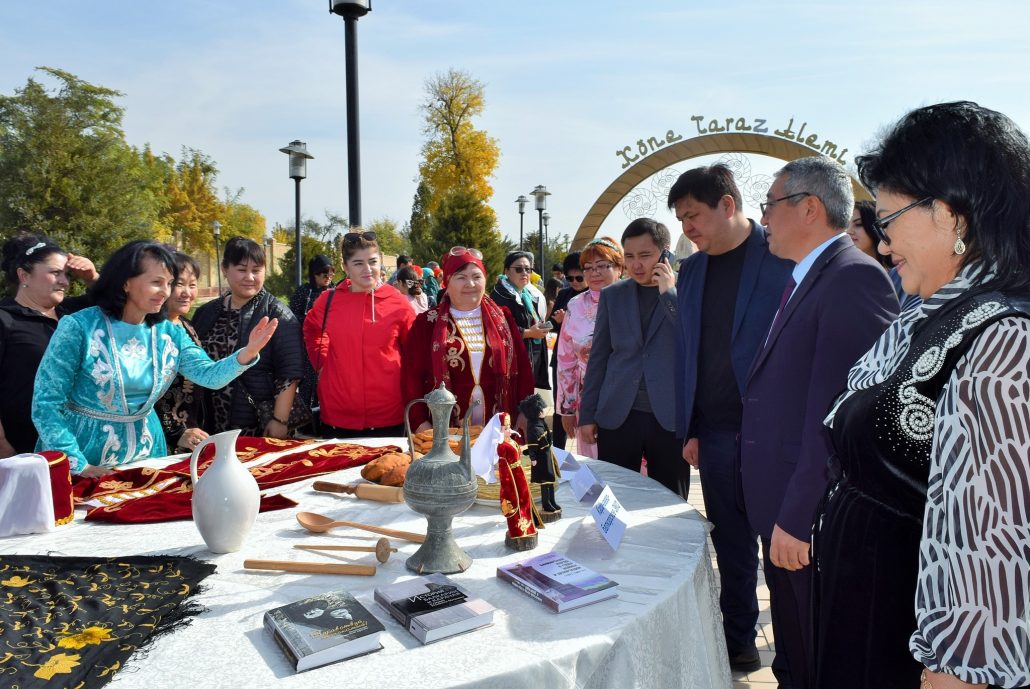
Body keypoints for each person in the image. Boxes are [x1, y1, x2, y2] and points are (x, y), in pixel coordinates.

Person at [813, 102, 1030, 689]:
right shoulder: (933, 313)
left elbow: (993, 535)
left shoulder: (1001, 339)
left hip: (923, 659)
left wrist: (957, 671)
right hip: (872, 621)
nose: (882, 246)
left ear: (949, 212)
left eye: (888, 221)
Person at [740, 156, 899, 689]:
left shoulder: (852, 279)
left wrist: (798, 515)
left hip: (807, 518)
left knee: (815, 657)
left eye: (769, 204)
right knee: (794, 652)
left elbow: (836, 416)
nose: (763, 217)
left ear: (809, 208)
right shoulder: (808, 277)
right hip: (784, 506)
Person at [669, 164, 793, 673]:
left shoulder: (782, 255)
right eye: (680, 219)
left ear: (727, 204)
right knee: (731, 544)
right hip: (717, 434)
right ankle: (737, 639)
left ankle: (794, 651)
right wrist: (692, 427)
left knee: (783, 551)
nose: (687, 229)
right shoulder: (692, 269)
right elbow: (690, 351)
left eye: (693, 215)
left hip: (775, 436)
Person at [32, 241, 277, 477]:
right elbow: (46, 404)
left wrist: (247, 353)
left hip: (148, 453)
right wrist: (77, 464)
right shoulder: (78, 327)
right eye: (156, 282)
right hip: (83, 453)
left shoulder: (169, 332)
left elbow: (209, 376)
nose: (165, 292)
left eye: (169, 283)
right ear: (126, 283)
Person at [578, 218, 687, 496]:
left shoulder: (684, 293)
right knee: (615, 497)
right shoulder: (613, 295)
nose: (636, 264)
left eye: (645, 255)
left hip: (669, 417)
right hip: (618, 415)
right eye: (629, 256)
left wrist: (669, 295)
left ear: (665, 253)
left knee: (671, 502)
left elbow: (693, 346)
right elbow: (599, 357)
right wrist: (587, 415)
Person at [401, 247, 535, 431]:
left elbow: (524, 369)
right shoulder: (427, 323)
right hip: (442, 431)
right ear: (447, 282)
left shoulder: (504, 318)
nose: (470, 284)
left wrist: (525, 411)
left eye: (477, 277)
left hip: (498, 428)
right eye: (461, 277)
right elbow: (411, 376)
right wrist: (419, 422)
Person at [303, 230, 415, 439]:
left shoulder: (398, 302)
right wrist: (323, 361)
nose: (367, 270)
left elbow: (414, 351)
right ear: (345, 268)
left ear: (380, 261)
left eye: (372, 261)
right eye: (358, 263)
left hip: (389, 415)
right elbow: (311, 329)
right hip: (337, 414)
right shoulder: (328, 301)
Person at [192, 237, 304, 439]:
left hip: (258, 423)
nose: (250, 277)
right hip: (209, 422)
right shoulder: (206, 313)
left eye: (256, 270)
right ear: (225, 269)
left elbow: (289, 373)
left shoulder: (278, 314)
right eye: (242, 270)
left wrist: (280, 420)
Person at [0, 234, 98, 457]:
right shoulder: (5, 320)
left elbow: (124, 303)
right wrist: (3, 446)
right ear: (24, 275)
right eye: (55, 273)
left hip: (80, 445)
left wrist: (92, 278)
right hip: (24, 448)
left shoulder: (75, 314)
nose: (64, 281)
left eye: (66, 274)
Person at [555, 239, 623, 459]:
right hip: (589, 402)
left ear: (619, 267)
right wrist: (567, 409)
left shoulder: (634, 300)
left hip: (630, 400)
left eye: (603, 265)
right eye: (588, 268)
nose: (595, 273)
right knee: (594, 466)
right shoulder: (575, 306)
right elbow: (566, 361)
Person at [154, 252, 208, 452]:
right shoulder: (152, 329)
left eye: (192, 285)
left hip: (190, 432)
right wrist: (175, 431)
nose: (187, 292)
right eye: (179, 284)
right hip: (163, 438)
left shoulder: (186, 324)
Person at [490, 251, 551, 391]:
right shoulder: (500, 295)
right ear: (506, 271)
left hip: (530, 355)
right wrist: (529, 332)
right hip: (513, 361)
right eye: (518, 269)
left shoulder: (527, 294)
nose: (524, 273)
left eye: (528, 269)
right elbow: (497, 329)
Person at [546, 251, 586, 449]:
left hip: (587, 362)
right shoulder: (564, 294)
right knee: (561, 406)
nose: (575, 282)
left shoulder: (601, 295)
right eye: (570, 278)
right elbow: (553, 325)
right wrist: (559, 322)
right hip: (563, 360)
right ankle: (558, 452)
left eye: (579, 277)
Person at [853, 200, 921, 311]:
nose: (848, 231)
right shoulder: (848, 277)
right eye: (846, 225)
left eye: (858, 224)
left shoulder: (902, 275)